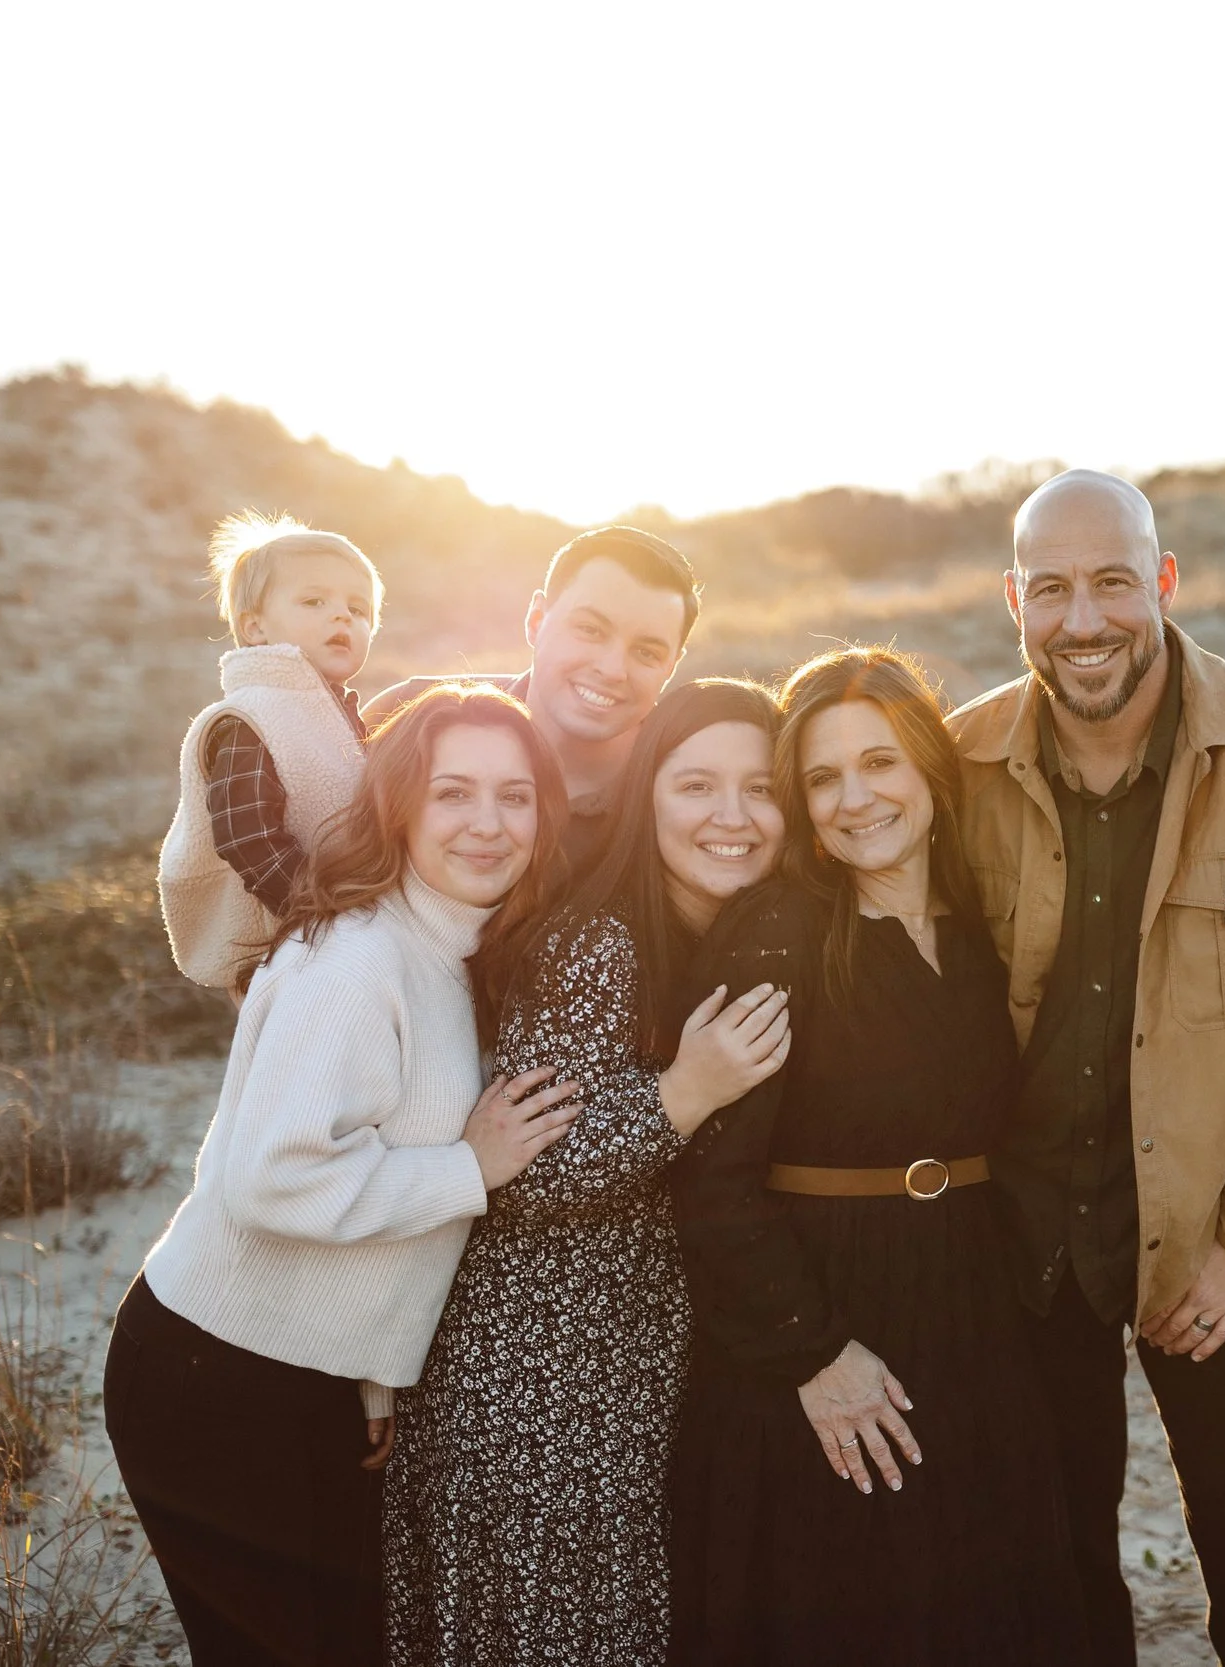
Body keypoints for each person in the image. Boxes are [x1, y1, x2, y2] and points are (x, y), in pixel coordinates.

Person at [945, 470, 1225, 1666]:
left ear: (1164, 581)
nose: (1082, 620)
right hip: (1022, 1239)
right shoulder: (957, 764)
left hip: (1216, 1234)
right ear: (1013, 600)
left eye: (1110, 583)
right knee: (1054, 1561)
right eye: (1050, 590)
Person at [106, 685, 587, 1667]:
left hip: (309, 1378)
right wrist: (472, 1166)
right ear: (400, 803)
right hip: (216, 1371)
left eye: (514, 795)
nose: (487, 823)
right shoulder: (357, 958)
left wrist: (371, 1369)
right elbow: (275, 1179)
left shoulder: (452, 950)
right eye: (453, 793)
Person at [670, 647, 1088, 1666]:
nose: (855, 798)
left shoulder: (991, 921)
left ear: (931, 773)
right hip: (819, 1324)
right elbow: (710, 1178)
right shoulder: (781, 928)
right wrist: (813, 1351)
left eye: (881, 762)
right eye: (821, 778)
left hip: (976, 1314)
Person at [382, 680, 795, 1665]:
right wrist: (682, 1092)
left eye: (760, 786)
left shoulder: (737, 938)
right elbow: (520, 1161)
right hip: (538, 1372)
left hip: (630, 1363)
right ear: (649, 793)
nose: (730, 816)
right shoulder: (595, 941)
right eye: (696, 784)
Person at [366, 524, 701, 869]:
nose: (613, 669)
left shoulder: (698, 787)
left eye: (647, 652)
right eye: (590, 630)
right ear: (536, 620)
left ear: (672, 666)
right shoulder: (403, 714)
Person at [157, 512, 380, 989]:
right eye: (314, 601)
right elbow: (247, 836)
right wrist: (323, 916)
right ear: (255, 628)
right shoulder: (251, 715)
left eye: (358, 609)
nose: (342, 615)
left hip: (337, 932)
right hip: (286, 941)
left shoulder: (337, 717)